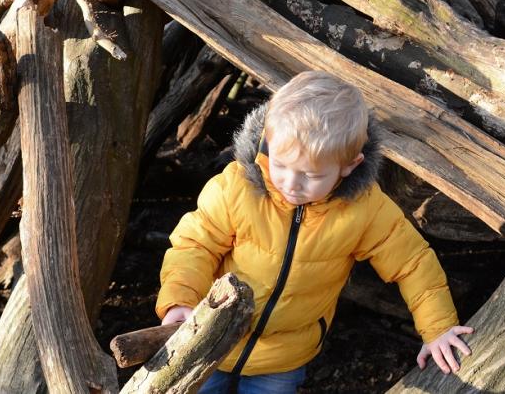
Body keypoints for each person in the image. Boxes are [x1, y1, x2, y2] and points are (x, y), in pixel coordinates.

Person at [156, 71, 473, 393]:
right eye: (280, 164)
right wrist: (179, 300)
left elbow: (412, 263)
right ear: (267, 140)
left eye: (310, 175)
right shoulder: (236, 188)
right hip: (209, 340)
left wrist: (438, 328)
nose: (290, 183)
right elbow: (194, 245)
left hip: (283, 358)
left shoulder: (364, 209)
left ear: (349, 165)